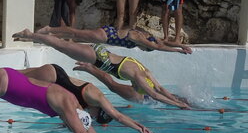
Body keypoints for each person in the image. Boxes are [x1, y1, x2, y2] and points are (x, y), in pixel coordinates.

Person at [13, 28, 191, 109]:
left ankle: (38, 35)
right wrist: (178, 105)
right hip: (99, 57)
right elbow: (155, 94)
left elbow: (161, 90)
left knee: (68, 41)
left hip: (102, 54)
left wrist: (178, 101)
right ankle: (31, 35)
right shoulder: (139, 77)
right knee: (61, 46)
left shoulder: (145, 72)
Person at [19, 63, 155, 133]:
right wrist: (139, 127)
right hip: (52, 76)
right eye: (95, 117)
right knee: (15, 77)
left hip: (52, 75)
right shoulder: (97, 97)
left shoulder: (88, 106)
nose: (92, 118)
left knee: (15, 74)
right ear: (101, 111)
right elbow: (118, 116)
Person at [34, 24, 191, 54]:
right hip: (105, 35)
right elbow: (159, 47)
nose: (142, 49)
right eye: (145, 49)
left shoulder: (149, 37)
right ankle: (50, 29)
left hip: (105, 37)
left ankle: (50, 34)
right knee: (76, 34)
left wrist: (180, 46)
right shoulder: (140, 39)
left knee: (76, 35)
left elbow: (162, 42)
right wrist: (177, 51)